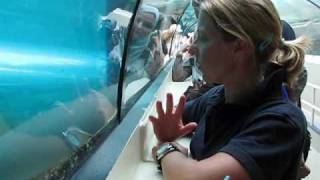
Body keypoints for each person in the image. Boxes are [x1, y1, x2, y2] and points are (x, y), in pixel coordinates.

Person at [149, 0, 311, 179]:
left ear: (239, 47)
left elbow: (190, 177)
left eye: (202, 38)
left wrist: (166, 147)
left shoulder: (281, 123)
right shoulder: (219, 95)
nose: (192, 49)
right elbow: (177, 116)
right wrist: (170, 133)